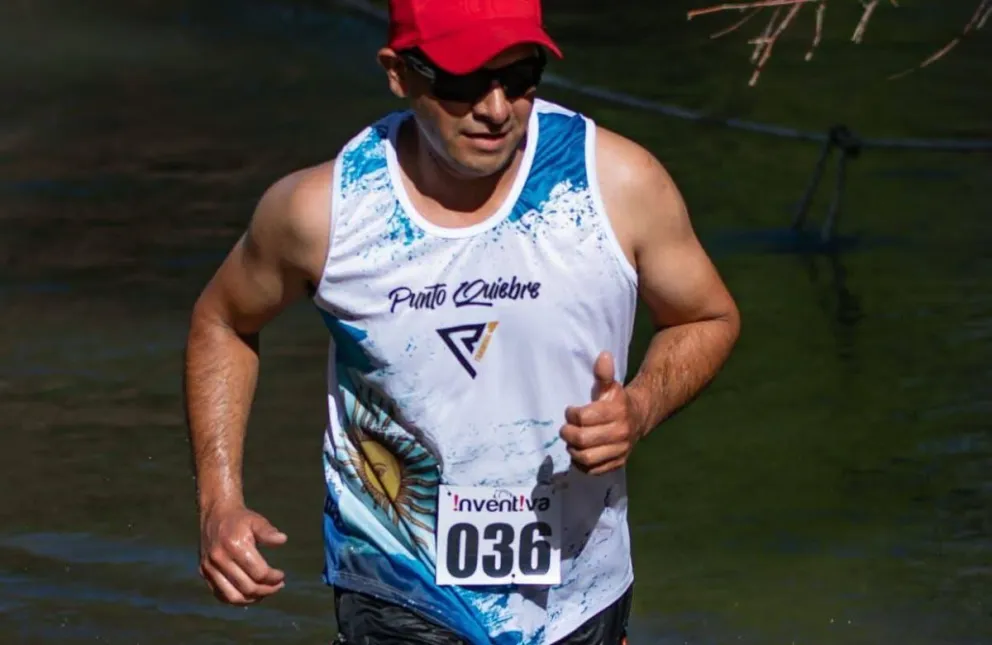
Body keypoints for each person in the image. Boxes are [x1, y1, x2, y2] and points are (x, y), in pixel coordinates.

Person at [183, 0, 741, 643]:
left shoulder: (616, 185)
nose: (497, 108)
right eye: (464, 80)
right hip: (397, 582)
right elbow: (222, 322)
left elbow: (707, 316)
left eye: (521, 75)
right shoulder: (324, 212)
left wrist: (640, 408)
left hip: (579, 592)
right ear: (400, 73)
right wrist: (219, 502)